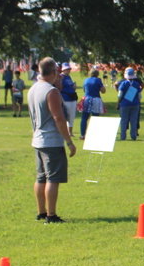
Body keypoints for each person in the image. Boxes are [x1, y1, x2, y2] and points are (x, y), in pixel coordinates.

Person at [29, 57, 77, 223]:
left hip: (38, 139)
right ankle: (51, 215)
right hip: (51, 141)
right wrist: (69, 141)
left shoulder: (34, 88)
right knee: (53, 179)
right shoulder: (51, 91)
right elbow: (58, 117)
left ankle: (41, 212)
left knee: (40, 177)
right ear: (54, 72)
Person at [117, 67, 144, 141]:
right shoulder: (136, 84)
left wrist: (118, 102)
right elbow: (140, 96)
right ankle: (133, 136)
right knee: (134, 121)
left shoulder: (123, 83)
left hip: (124, 104)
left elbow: (120, 95)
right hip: (135, 104)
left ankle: (123, 136)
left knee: (124, 121)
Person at [79, 68, 106, 140]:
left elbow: (84, 90)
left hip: (86, 98)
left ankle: (82, 135)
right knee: (95, 117)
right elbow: (103, 91)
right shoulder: (98, 80)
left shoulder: (86, 80)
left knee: (84, 117)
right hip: (95, 99)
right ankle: (94, 134)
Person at [59, 62, 78, 135]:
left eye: (69, 69)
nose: (68, 71)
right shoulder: (61, 77)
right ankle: (64, 131)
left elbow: (71, 86)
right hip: (65, 97)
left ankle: (70, 132)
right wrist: (61, 80)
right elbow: (59, 88)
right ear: (63, 70)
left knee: (71, 116)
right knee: (65, 115)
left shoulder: (69, 77)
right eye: (66, 69)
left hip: (72, 97)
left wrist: (74, 86)